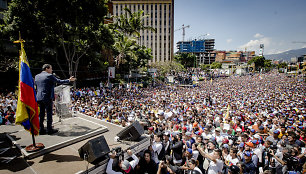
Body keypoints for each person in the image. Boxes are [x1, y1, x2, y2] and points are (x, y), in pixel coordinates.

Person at [35, 64, 76, 135]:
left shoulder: (37, 76)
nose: (52, 70)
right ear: (47, 68)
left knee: (41, 114)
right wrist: (69, 80)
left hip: (39, 97)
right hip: (47, 97)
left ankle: (41, 129)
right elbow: (59, 81)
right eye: (51, 69)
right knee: (49, 113)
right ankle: (49, 129)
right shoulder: (49, 76)